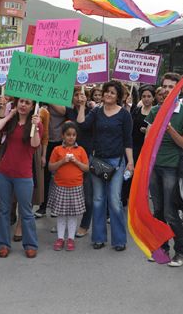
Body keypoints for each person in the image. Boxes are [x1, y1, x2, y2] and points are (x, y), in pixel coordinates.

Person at [76, 81, 134, 251]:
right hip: (98, 161)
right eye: (106, 92)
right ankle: (99, 238)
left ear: (118, 97)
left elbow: (128, 140)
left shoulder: (124, 115)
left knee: (115, 201)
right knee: (98, 200)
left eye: (112, 93)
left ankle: (119, 240)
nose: (108, 95)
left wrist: (130, 162)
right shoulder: (96, 111)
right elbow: (82, 125)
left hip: (117, 162)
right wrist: (81, 106)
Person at [145, 73, 183, 267]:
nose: (166, 90)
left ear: (179, 88)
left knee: (170, 212)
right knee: (157, 211)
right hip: (154, 167)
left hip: (172, 168)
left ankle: (182, 252)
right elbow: (149, 141)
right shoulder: (155, 110)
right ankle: (162, 249)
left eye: (170, 86)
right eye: (164, 86)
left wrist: (169, 128)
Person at [0, 98, 41, 259]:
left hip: (24, 175)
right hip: (4, 173)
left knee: (26, 212)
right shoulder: (10, 122)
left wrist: (35, 126)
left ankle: (30, 244)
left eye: (27, 103)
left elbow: (35, 145)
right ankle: (3, 244)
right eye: (21, 102)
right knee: (4, 210)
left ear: (32, 106)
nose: (23, 105)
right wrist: (8, 115)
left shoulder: (35, 123)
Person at [48, 122, 89, 251]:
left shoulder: (81, 150)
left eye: (73, 135)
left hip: (76, 186)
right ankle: (60, 238)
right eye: (68, 135)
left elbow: (86, 168)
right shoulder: (57, 150)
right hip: (61, 186)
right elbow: (50, 167)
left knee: (73, 215)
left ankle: (71, 238)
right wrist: (62, 161)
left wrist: (76, 161)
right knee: (61, 214)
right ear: (63, 136)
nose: (71, 137)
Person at [64, 87, 94, 238]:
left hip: (86, 155)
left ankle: (84, 224)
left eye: (81, 94)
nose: (78, 98)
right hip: (69, 155)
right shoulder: (68, 111)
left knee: (87, 194)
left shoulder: (92, 111)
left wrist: (84, 107)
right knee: (67, 192)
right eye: (76, 95)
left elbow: (83, 125)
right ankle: (65, 223)